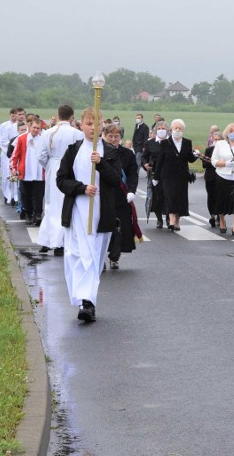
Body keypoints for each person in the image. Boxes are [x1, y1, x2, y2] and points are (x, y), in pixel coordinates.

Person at [56, 107, 122, 322]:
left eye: (97, 123)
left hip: (101, 213)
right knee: (77, 254)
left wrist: (101, 164)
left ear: (103, 124)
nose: (93, 127)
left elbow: (115, 181)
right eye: (89, 123)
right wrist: (81, 188)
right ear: (81, 125)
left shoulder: (110, 152)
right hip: (78, 210)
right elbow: (61, 179)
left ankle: (89, 301)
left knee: (94, 256)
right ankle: (85, 301)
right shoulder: (73, 150)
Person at [36, 105, 83, 255]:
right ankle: (61, 242)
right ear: (72, 117)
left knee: (50, 205)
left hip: (53, 167)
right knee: (66, 205)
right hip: (70, 170)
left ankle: (47, 241)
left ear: (57, 115)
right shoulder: (77, 133)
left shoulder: (48, 133)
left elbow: (41, 156)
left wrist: (49, 166)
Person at [103, 124, 140, 270]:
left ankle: (114, 256)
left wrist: (131, 190)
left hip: (122, 195)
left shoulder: (127, 154)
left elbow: (132, 174)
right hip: (105, 195)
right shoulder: (100, 152)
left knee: (122, 227)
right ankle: (101, 257)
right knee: (105, 228)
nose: (113, 139)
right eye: (110, 136)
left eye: (116, 137)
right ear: (104, 136)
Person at [152, 118, 199, 231]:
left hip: (182, 176)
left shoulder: (187, 142)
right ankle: (172, 220)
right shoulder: (165, 143)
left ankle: (177, 221)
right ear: (171, 129)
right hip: (167, 175)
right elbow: (160, 161)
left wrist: (196, 155)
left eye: (180, 128)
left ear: (183, 130)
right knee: (170, 197)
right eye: (175, 128)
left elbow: (190, 159)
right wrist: (156, 177)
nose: (177, 130)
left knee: (180, 198)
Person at [10, 118, 45, 226]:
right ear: (30, 127)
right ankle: (29, 214)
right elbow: (14, 156)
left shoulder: (44, 139)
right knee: (26, 195)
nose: (35, 130)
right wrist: (13, 169)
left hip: (39, 173)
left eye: (38, 128)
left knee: (39, 195)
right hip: (26, 172)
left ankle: (38, 214)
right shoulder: (22, 138)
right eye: (34, 127)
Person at [142, 121, 169, 228]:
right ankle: (159, 219)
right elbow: (144, 156)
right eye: (159, 128)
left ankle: (168, 217)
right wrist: (145, 164)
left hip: (168, 173)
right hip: (154, 173)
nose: (161, 130)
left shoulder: (170, 142)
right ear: (156, 130)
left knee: (168, 196)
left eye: (163, 128)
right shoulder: (150, 143)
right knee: (157, 197)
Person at [202, 132, 221, 227]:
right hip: (210, 177)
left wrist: (212, 161)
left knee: (220, 197)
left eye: (219, 139)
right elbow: (204, 164)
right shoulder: (209, 150)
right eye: (215, 139)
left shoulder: (224, 150)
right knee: (211, 197)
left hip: (221, 177)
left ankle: (220, 216)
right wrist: (215, 162)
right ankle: (212, 215)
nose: (217, 141)